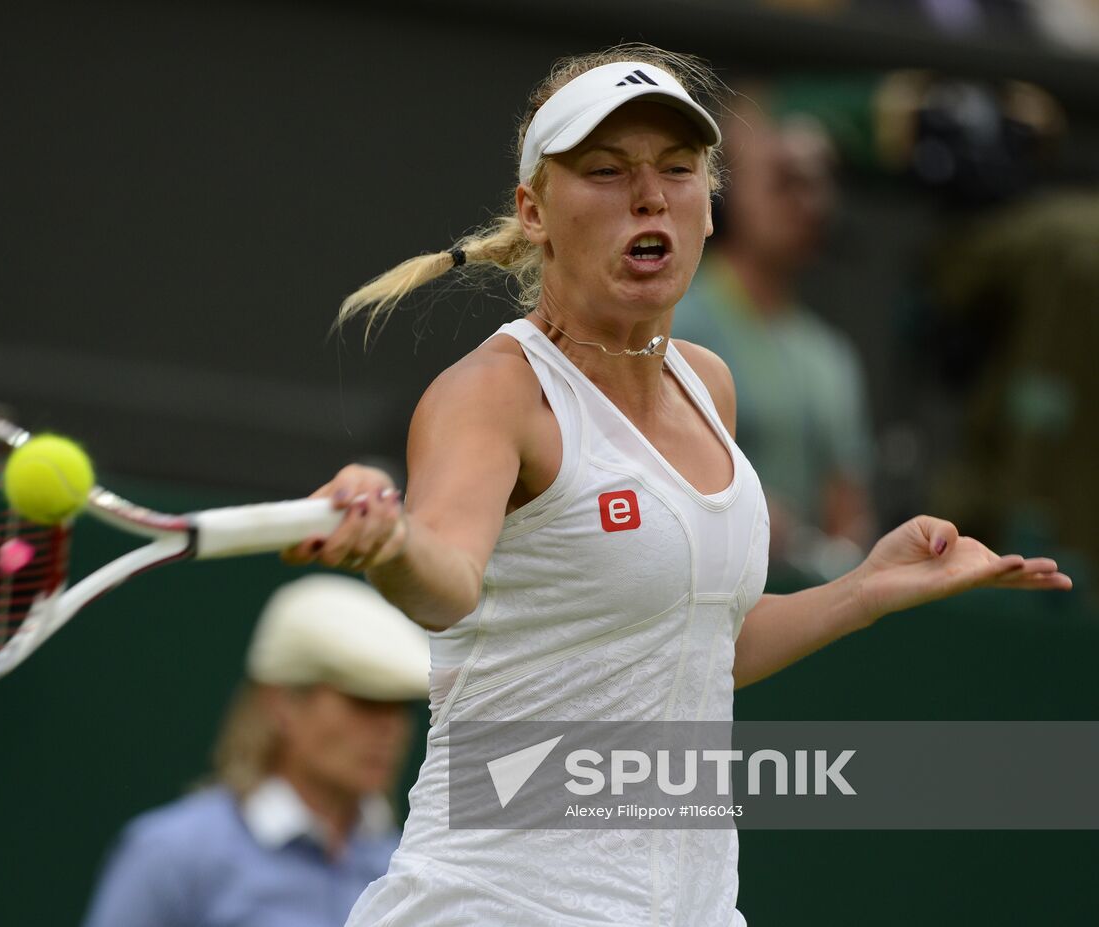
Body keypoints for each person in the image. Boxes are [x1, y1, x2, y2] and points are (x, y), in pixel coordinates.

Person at [280, 44, 1073, 926]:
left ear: (705, 208)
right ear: (534, 212)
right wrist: (392, 542)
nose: (649, 195)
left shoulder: (710, 386)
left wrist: (864, 591)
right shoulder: (496, 393)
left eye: (677, 170)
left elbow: (696, 653)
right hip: (499, 906)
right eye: (607, 171)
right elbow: (446, 577)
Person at [81, 574, 431, 927]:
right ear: (282, 704)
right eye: (365, 701)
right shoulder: (171, 856)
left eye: (401, 707)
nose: (393, 729)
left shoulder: (411, 865)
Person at [672, 98, 875, 580]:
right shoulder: (675, 319)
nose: (809, 204)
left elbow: (847, 506)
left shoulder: (831, 355)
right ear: (726, 192)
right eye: (786, 180)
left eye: (818, 183)